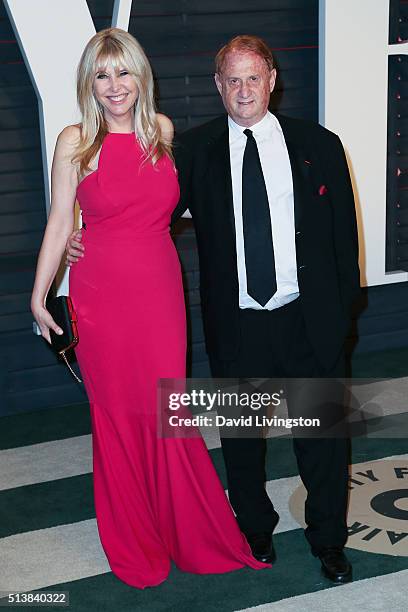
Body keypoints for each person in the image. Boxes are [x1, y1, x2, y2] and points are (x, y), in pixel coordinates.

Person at [67, 34, 361, 584]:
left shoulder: (319, 144)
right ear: (217, 87)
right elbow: (138, 206)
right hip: (238, 321)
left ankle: (328, 541)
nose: (243, 89)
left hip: (308, 317)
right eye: (232, 80)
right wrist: (79, 235)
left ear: (272, 80)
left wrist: (343, 317)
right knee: (243, 442)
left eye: (254, 78)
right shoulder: (193, 150)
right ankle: (254, 530)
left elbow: (345, 241)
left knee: (322, 438)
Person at [31, 28, 270, 589]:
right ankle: (137, 540)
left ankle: (188, 532)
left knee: (167, 412)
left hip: (161, 295)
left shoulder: (161, 133)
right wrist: (38, 296)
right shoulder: (74, 142)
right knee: (116, 418)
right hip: (100, 300)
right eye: (102, 74)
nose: (114, 86)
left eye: (123, 72)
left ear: (141, 76)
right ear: (89, 82)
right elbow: (59, 223)